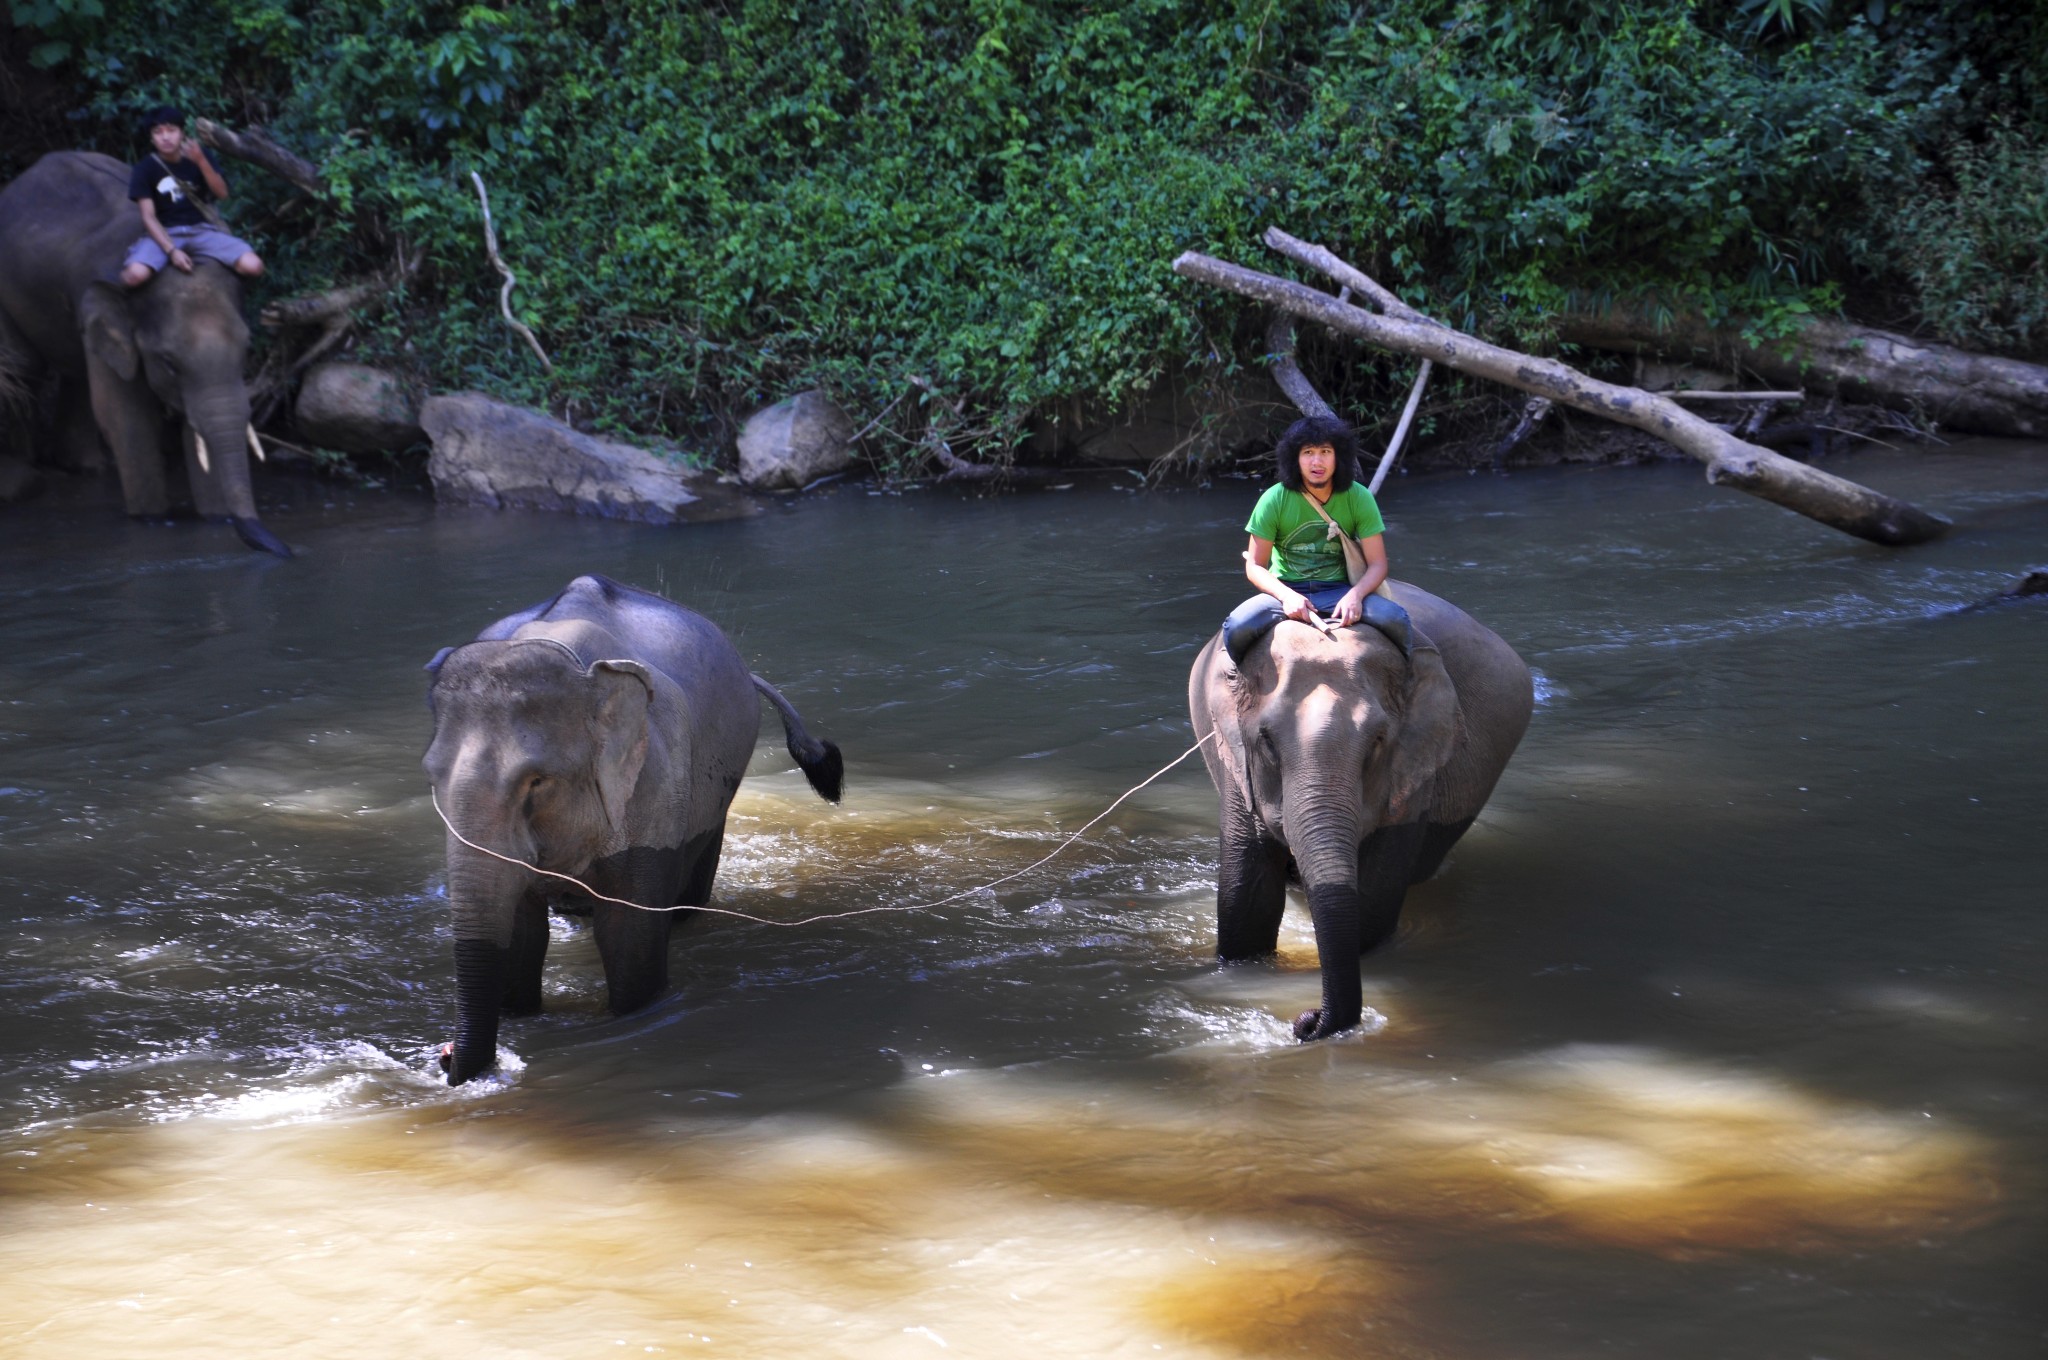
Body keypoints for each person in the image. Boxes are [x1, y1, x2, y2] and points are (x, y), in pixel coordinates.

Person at [1222, 413, 1412, 666]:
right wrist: (1287, 596)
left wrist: (1355, 596)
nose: (1317, 461)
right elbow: (1255, 565)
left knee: (1396, 619)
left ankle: (1410, 677)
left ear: (1338, 457)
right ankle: (1237, 682)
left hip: (1339, 589)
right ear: (1295, 459)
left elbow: (1378, 564)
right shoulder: (1273, 499)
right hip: (1285, 589)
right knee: (1237, 626)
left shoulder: (1359, 497)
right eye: (1308, 452)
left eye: (1325, 451)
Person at [118, 105, 264, 289]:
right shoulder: (144, 169)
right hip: (166, 233)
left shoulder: (201, 156)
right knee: (133, 276)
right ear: (152, 138)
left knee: (254, 266)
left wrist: (201, 161)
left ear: (181, 133)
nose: (165, 137)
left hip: (202, 230)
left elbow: (222, 194)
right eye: (158, 132)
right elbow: (148, 216)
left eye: (171, 130)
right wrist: (171, 251)